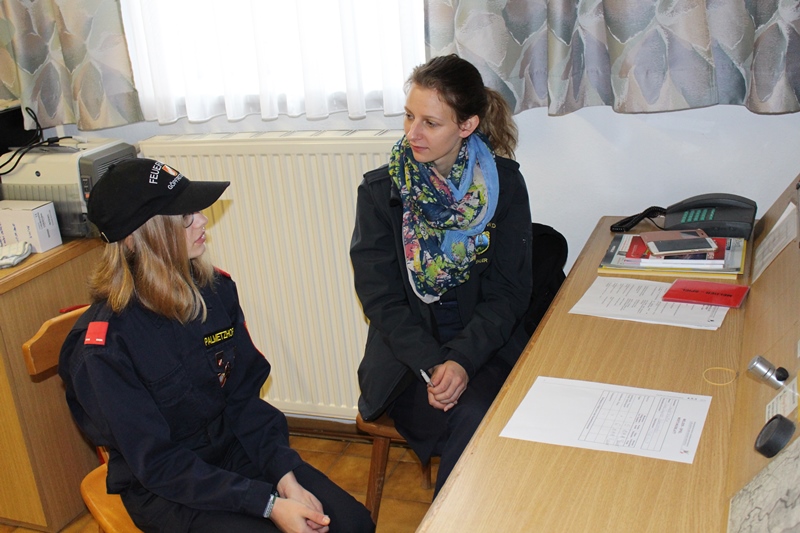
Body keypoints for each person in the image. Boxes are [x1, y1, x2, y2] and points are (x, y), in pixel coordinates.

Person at [59, 158, 374, 533]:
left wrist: (285, 477)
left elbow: (243, 400)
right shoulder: (104, 346)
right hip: (169, 488)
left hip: (233, 449)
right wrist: (267, 504)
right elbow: (157, 463)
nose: (202, 220)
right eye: (185, 216)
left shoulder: (215, 291)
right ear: (140, 236)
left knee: (353, 524)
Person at [350, 54, 533, 495]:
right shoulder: (381, 192)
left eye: (430, 123)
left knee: (486, 416)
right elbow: (381, 299)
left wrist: (462, 360)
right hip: (409, 360)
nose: (413, 133)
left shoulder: (504, 186)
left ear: (467, 125)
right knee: (472, 420)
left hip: (483, 347)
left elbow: (509, 292)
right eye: (409, 116)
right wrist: (435, 364)